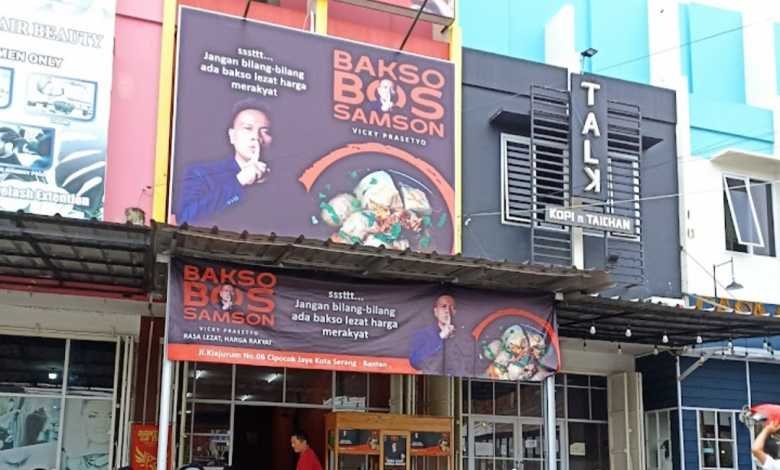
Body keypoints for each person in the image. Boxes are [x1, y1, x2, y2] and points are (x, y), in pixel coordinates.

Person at [173, 99, 273, 225]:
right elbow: (186, 218)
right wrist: (239, 181)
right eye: (248, 128)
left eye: (265, 131)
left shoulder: (283, 179)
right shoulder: (202, 174)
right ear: (232, 136)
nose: (256, 137)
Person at [409, 295, 456, 371]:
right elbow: (415, 361)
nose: (447, 311)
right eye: (443, 306)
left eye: (451, 307)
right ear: (436, 311)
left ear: (454, 312)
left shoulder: (464, 336)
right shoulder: (422, 334)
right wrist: (440, 337)